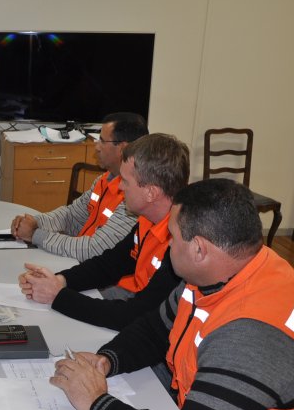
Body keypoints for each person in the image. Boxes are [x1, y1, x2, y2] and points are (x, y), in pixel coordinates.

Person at [52, 179, 294, 410]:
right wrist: (107, 360)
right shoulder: (229, 272)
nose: (168, 247)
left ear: (199, 249)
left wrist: (96, 402)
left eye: (173, 238)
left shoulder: (251, 334)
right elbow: (156, 328)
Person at [19, 133, 189, 331]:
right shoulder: (148, 220)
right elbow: (109, 265)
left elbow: (137, 315)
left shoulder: (181, 242)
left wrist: (58, 296)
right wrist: (59, 280)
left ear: (151, 192)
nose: (119, 186)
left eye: (125, 181)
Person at [10, 112, 147, 261]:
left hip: (103, 278)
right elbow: (72, 217)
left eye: (101, 141)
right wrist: (35, 222)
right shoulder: (103, 180)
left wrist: (35, 235)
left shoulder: (135, 197)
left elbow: (94, 249)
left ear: (122, 148)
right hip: (80, 263)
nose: (97, 146)